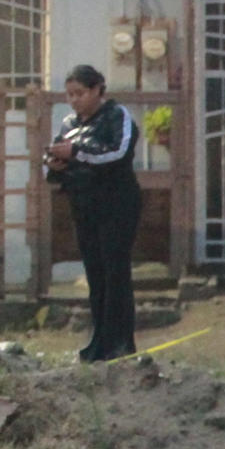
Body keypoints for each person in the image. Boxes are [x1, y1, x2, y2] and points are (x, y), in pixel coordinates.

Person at [44, 65, 141, 363]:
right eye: (70, 94)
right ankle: (99, 341)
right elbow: (51, 165)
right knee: (95, 275)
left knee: (115, 273)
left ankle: (120, 343)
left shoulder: (117, 117)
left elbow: (117, 153)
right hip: (84, 206)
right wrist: (54, 166)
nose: (74, 100)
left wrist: (75, 153)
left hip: (117, 205)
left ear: (98, 89)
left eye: (81, 93)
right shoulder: (69, 124)